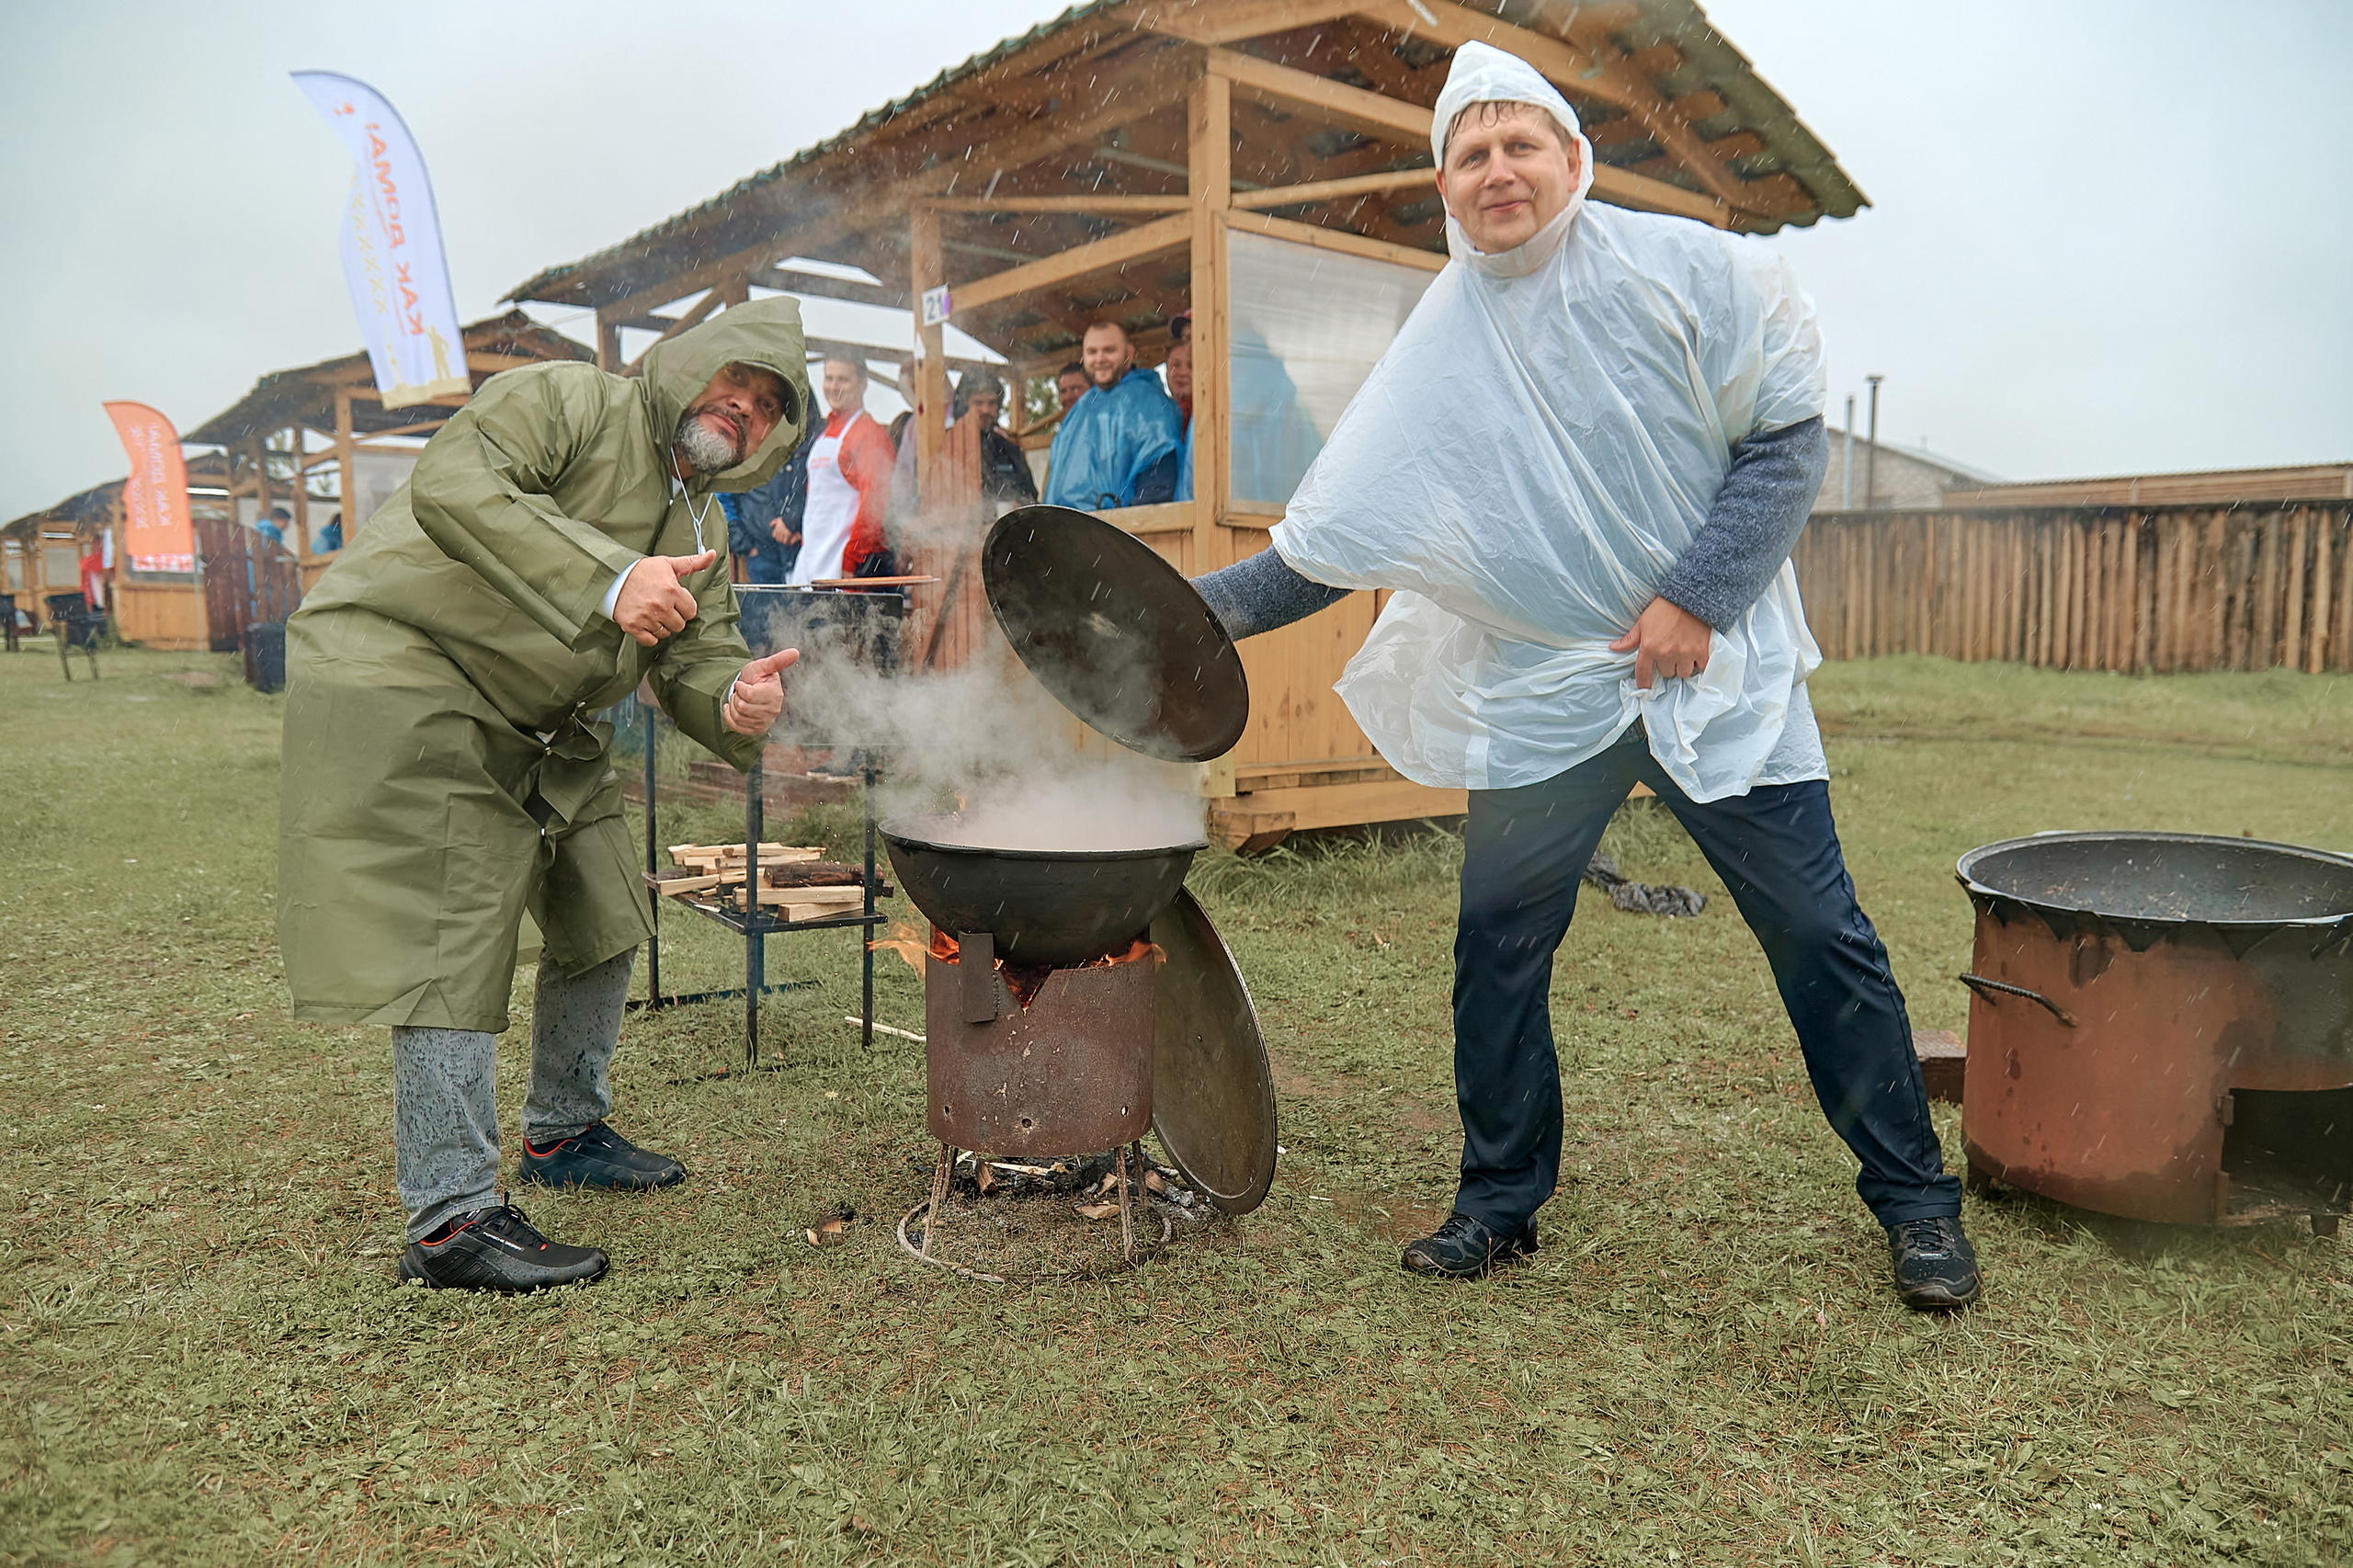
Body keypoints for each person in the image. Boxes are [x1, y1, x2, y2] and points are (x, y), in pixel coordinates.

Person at [1188, 43, 1980, 1312]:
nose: (1495, 171)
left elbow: (1785, 435)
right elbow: (1318, 553)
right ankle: (1499, 1203)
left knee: (1821, 937)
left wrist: (1698, 598)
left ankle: (1917, 1205)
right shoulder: (1440, 344)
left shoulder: (1685, 270)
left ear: (1570, 155)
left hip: (1706, 668)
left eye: (1518, 145)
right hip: (1546, 692)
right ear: (1444, 185)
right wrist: (1173, 615)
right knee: (1498, 947)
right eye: (1468, 154)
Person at [278, 298, 810, 1293]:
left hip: (547, 721)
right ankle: (449, 1219)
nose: (744, 405)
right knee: (450, 931)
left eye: (769, 403)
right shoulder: (568, 400)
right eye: (734, 379)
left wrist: (732, 699)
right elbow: (453, 480)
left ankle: (563, 1131)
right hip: (411, 669)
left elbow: (702, 652)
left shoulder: (707, 517)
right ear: (686, 364)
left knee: (604, 901)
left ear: (777, 434)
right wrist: (610, 581)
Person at [1042, 321, 1184, 511]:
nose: (1100, 359)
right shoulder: (1081, 408)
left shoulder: (1148, 402)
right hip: (1067, 530)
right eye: (1092, 352)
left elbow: (1157, 481)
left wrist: (1128, 524)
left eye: (1109, 350)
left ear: (1129, 353)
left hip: (1119, 532)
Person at [790, 356, 896, 585]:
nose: (834, 387)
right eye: (829, 379)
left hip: (852, 567)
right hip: (816, 559)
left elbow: (875, 503)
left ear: (862, 383)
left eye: (843, 380)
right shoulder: (825, 431)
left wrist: (851, 560)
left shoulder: (870, 434)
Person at [725, 426, 813, 585]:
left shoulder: (800, 441)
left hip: (796, 549)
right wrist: (744, 544)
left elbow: (808, 490)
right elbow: (724, 498)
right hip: (760, 554)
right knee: (765, 608)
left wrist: (792, 522)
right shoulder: (744, 446)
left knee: (800, 607)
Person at [959, 372, 1040, 506]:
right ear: (964, 404)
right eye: (978, 403)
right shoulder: (945, 448)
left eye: (992, 403)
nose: (985, 410)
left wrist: (1019, 504)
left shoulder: (1009, 450)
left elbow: (1031, 496)